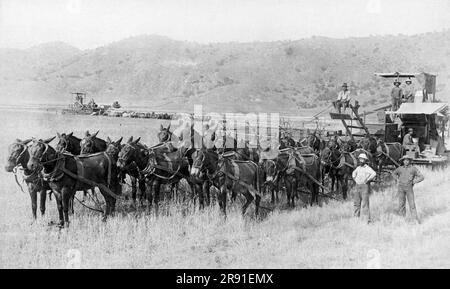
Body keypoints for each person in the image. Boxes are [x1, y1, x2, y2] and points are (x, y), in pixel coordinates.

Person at [392, 155, 424, 224]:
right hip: (401, 188)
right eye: (404, 160)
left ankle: (415, 220)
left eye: (407, 160)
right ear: (402, 161)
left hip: (409, 188)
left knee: (412, 204)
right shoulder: (399, 168)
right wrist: (397, 179)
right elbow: (393, 173)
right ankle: (401, 220)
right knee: (401, 204)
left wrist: (414, 181)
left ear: (409, 161)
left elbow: (421, 177)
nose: (406, 161)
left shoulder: (413, 169)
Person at [351, 153, 377, 223]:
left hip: (364, 186)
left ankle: (367, 220)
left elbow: (374, 173)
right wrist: (355, 179)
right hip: (357, 186)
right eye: (360, 159)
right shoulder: (358, 168)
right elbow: (353, 173)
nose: (361, 161)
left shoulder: (367, 168)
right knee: (356, 203)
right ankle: (356, 219)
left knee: (365, 204)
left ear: (365, 161)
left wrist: (368, 179)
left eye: (362, 159)